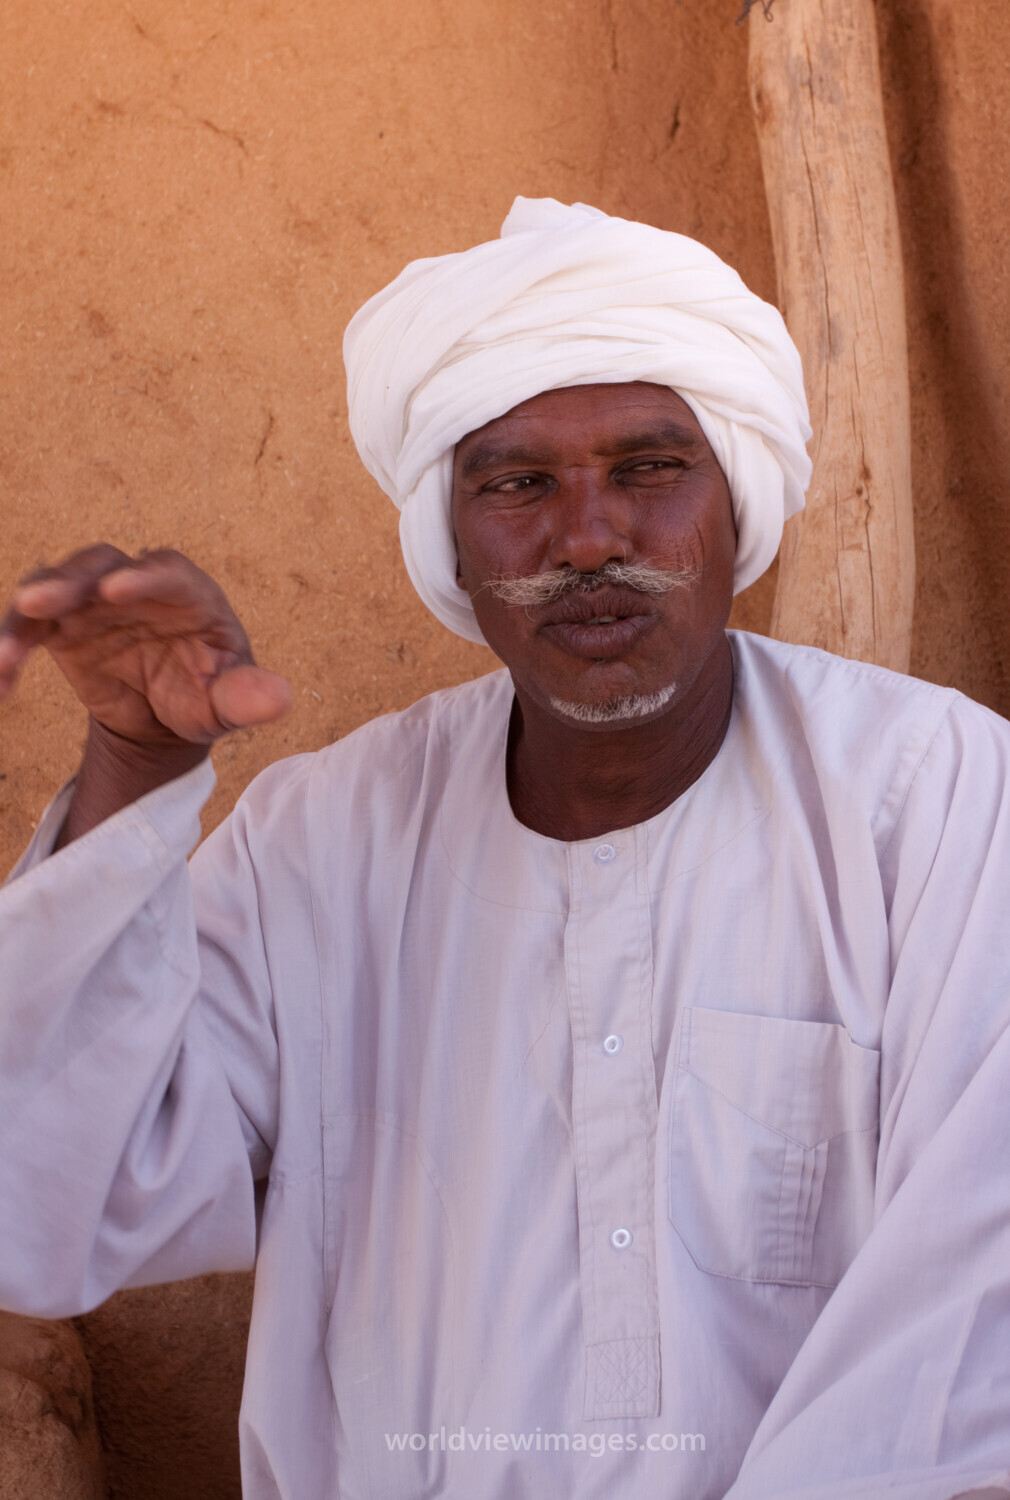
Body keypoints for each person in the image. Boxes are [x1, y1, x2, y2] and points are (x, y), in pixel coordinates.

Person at [1, 197, 1009, 1500]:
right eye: (517, 483)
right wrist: (137, 765)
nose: (587, 539)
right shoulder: (323, 845)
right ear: (451, 541)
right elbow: (45, 1200)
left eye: (650, 469)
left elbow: (968, 1320)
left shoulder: (935, 802)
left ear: (734, 503)